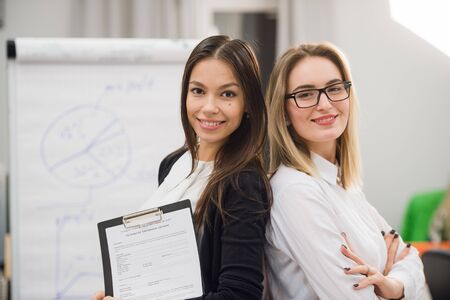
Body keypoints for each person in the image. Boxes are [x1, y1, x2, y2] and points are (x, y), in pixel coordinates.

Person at [92, 35, 271, 300]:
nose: (209, 107)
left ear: (248, 104)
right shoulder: (173, 164)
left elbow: (239, 295)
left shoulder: (244, 184)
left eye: (227, 94)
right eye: (198, 91)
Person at [264, 42, 425, 299]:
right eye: (305, 94)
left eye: (335, 88)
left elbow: (411, 256)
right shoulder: (296, 192)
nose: (325, 104)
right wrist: (390, 279)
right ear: (283, 111)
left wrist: (393, 285)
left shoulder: (341, 185)